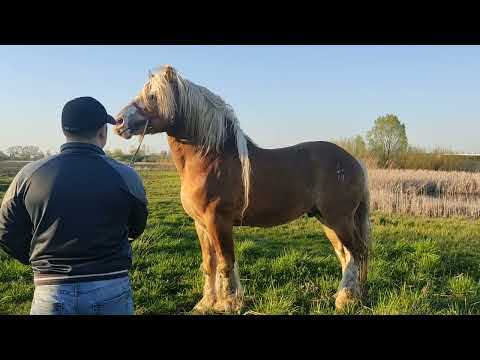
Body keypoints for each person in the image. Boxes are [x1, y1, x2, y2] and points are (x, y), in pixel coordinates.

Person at [0, 97, 148, 315]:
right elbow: (137, 225)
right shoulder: (126, 175)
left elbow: (5, 230)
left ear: (65, 131)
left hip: (50, 291)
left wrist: (36, 258)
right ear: (102, 132)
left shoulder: (28, 174)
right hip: (111, 289)